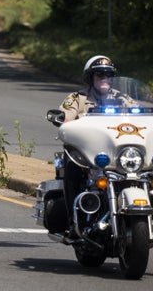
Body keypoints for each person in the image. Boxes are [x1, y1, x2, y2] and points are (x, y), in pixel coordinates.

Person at [59, 55, 127, 233]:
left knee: (148, 173)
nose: (105, 78)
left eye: (109, 75)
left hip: (116, 154)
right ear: (90, 77)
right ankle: (73, 222)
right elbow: (65, 118)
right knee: (72, 167)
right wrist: (65, 122)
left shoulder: (123, 99)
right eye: (99, 74)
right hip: (86, 154)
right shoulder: (77, 98)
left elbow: (142, 118)